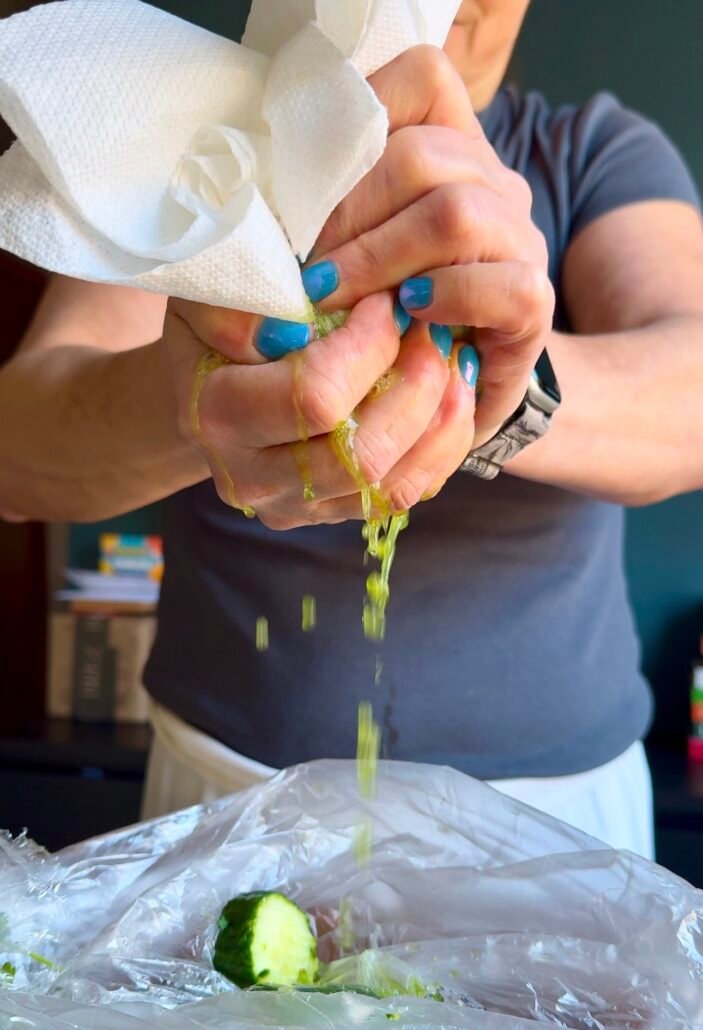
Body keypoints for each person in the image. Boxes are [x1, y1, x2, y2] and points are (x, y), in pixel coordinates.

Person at [2, 0, 702, 857]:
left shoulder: (589, 152)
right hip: (230, 799)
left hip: (553, 819)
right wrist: (192, 401)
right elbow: (20, 448)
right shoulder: (201, 139)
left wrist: (498, 380)